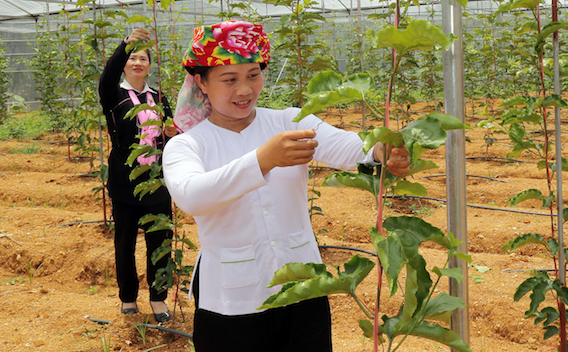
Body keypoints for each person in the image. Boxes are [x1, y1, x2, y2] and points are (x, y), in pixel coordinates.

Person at [161, 20, 411, 351]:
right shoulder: (188, 145)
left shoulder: (289, 122)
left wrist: (383, 151)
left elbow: (350, 147)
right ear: (201, 83)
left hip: (303, 290)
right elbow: (193, 197)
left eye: (253, 75)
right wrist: (262, 159)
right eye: (229, 79)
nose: (245, 89)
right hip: (232, 302)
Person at [99, 28, 177, 322]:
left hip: (157, 181)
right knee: (125, 241)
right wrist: (125, 44)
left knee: (160, 241)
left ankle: (158, 298)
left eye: (143, 58)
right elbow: (107, 76)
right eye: (132, 58)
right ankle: (128, 297)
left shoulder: (158, 97)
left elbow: (169, 135)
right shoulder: (113, 94)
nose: (137, 63)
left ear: (149, 65)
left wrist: (172, 133)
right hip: (125, 181)